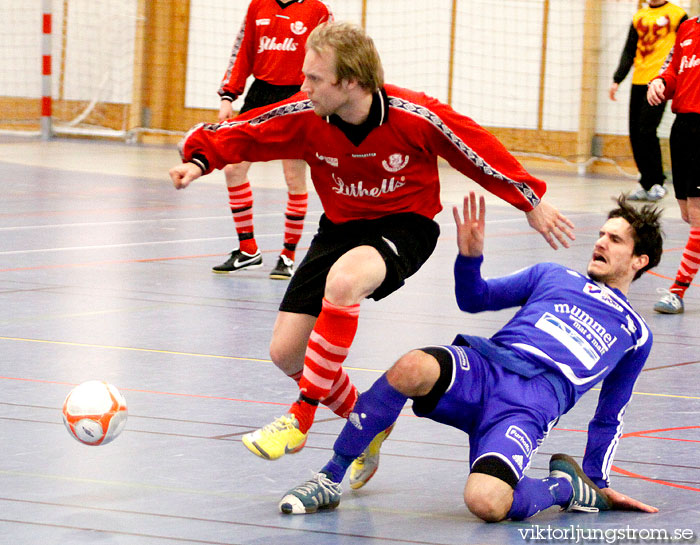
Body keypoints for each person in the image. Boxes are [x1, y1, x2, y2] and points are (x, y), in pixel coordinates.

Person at [170, 22, 575, 463]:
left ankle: (300, 418)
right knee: (286, 353)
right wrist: (199, 159)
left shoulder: (415, 116)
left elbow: (475, 148)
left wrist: (529, 198)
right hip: (341, 228)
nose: (304, 87)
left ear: (353, 82)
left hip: (406, 226)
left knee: (344, 282)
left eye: (315, 79)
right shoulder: (306, 116)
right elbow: (247, 130)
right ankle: (364, 420)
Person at [278, 192, 663, 521]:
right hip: (486, 367)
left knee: (487, 503)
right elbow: (474, 298)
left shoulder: (636, 333)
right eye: (601, 235)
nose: (600, 243)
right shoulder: (553, 275)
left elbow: (610, 412)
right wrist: (469, 259)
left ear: (639, 261)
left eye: (615, 240)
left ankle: (565, 487)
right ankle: (329, 478)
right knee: (412, 365)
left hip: (527, 408)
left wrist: (598, 481)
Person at [214, 0, 333, 279]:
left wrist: (323, 101)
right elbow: (241, 51)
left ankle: (288, 256)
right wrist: (228, 95)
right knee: (233, 168)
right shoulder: (258, 6)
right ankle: (248, 250)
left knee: (293, 178)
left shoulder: (318, 11)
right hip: (260, 96)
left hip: (297, 98)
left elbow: (330, 59)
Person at [647, 15, 700, 314]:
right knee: (688, 215)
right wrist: (660, 82)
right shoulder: (688, 27)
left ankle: (677, 290)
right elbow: (673, 71)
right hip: (683, 128)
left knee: (699, 215)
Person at [610, 0, 687, 202]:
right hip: (639, 81)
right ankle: (646, 182)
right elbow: (629, 50)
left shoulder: (678, 15)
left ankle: (657, 183)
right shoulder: (639, 16)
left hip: (660, 82)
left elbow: (684, 49)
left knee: (647, 130)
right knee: (635, 132)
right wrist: (618, 78)